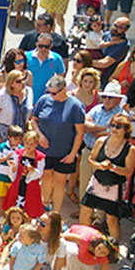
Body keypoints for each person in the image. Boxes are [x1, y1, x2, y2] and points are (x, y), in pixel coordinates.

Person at [32, 74, 86, 214]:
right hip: (44, 150)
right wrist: (40, 135)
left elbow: (80, 132)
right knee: (46, 178)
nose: (51, 96)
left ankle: (55, 213)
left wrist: (73, 154)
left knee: (60, 182)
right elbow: (34, 120)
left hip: (64, 152)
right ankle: (44, 207)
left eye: (54, 93)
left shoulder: (75, 106)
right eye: (49, 92)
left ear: (64, 89)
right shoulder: (44, 100)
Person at [79, 113, 135, 242]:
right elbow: (91, 159)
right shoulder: (101, 141)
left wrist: (113, 167)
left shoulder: (130, 149)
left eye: (119, 126)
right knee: (86, 210)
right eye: (113, 125)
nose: (114, 129)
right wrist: (100, 166)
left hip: (115, 186)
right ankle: (83, 239)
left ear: (126, 130)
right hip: (97, 182)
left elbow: (128, 171)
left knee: (112, 218)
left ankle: (113, 248)